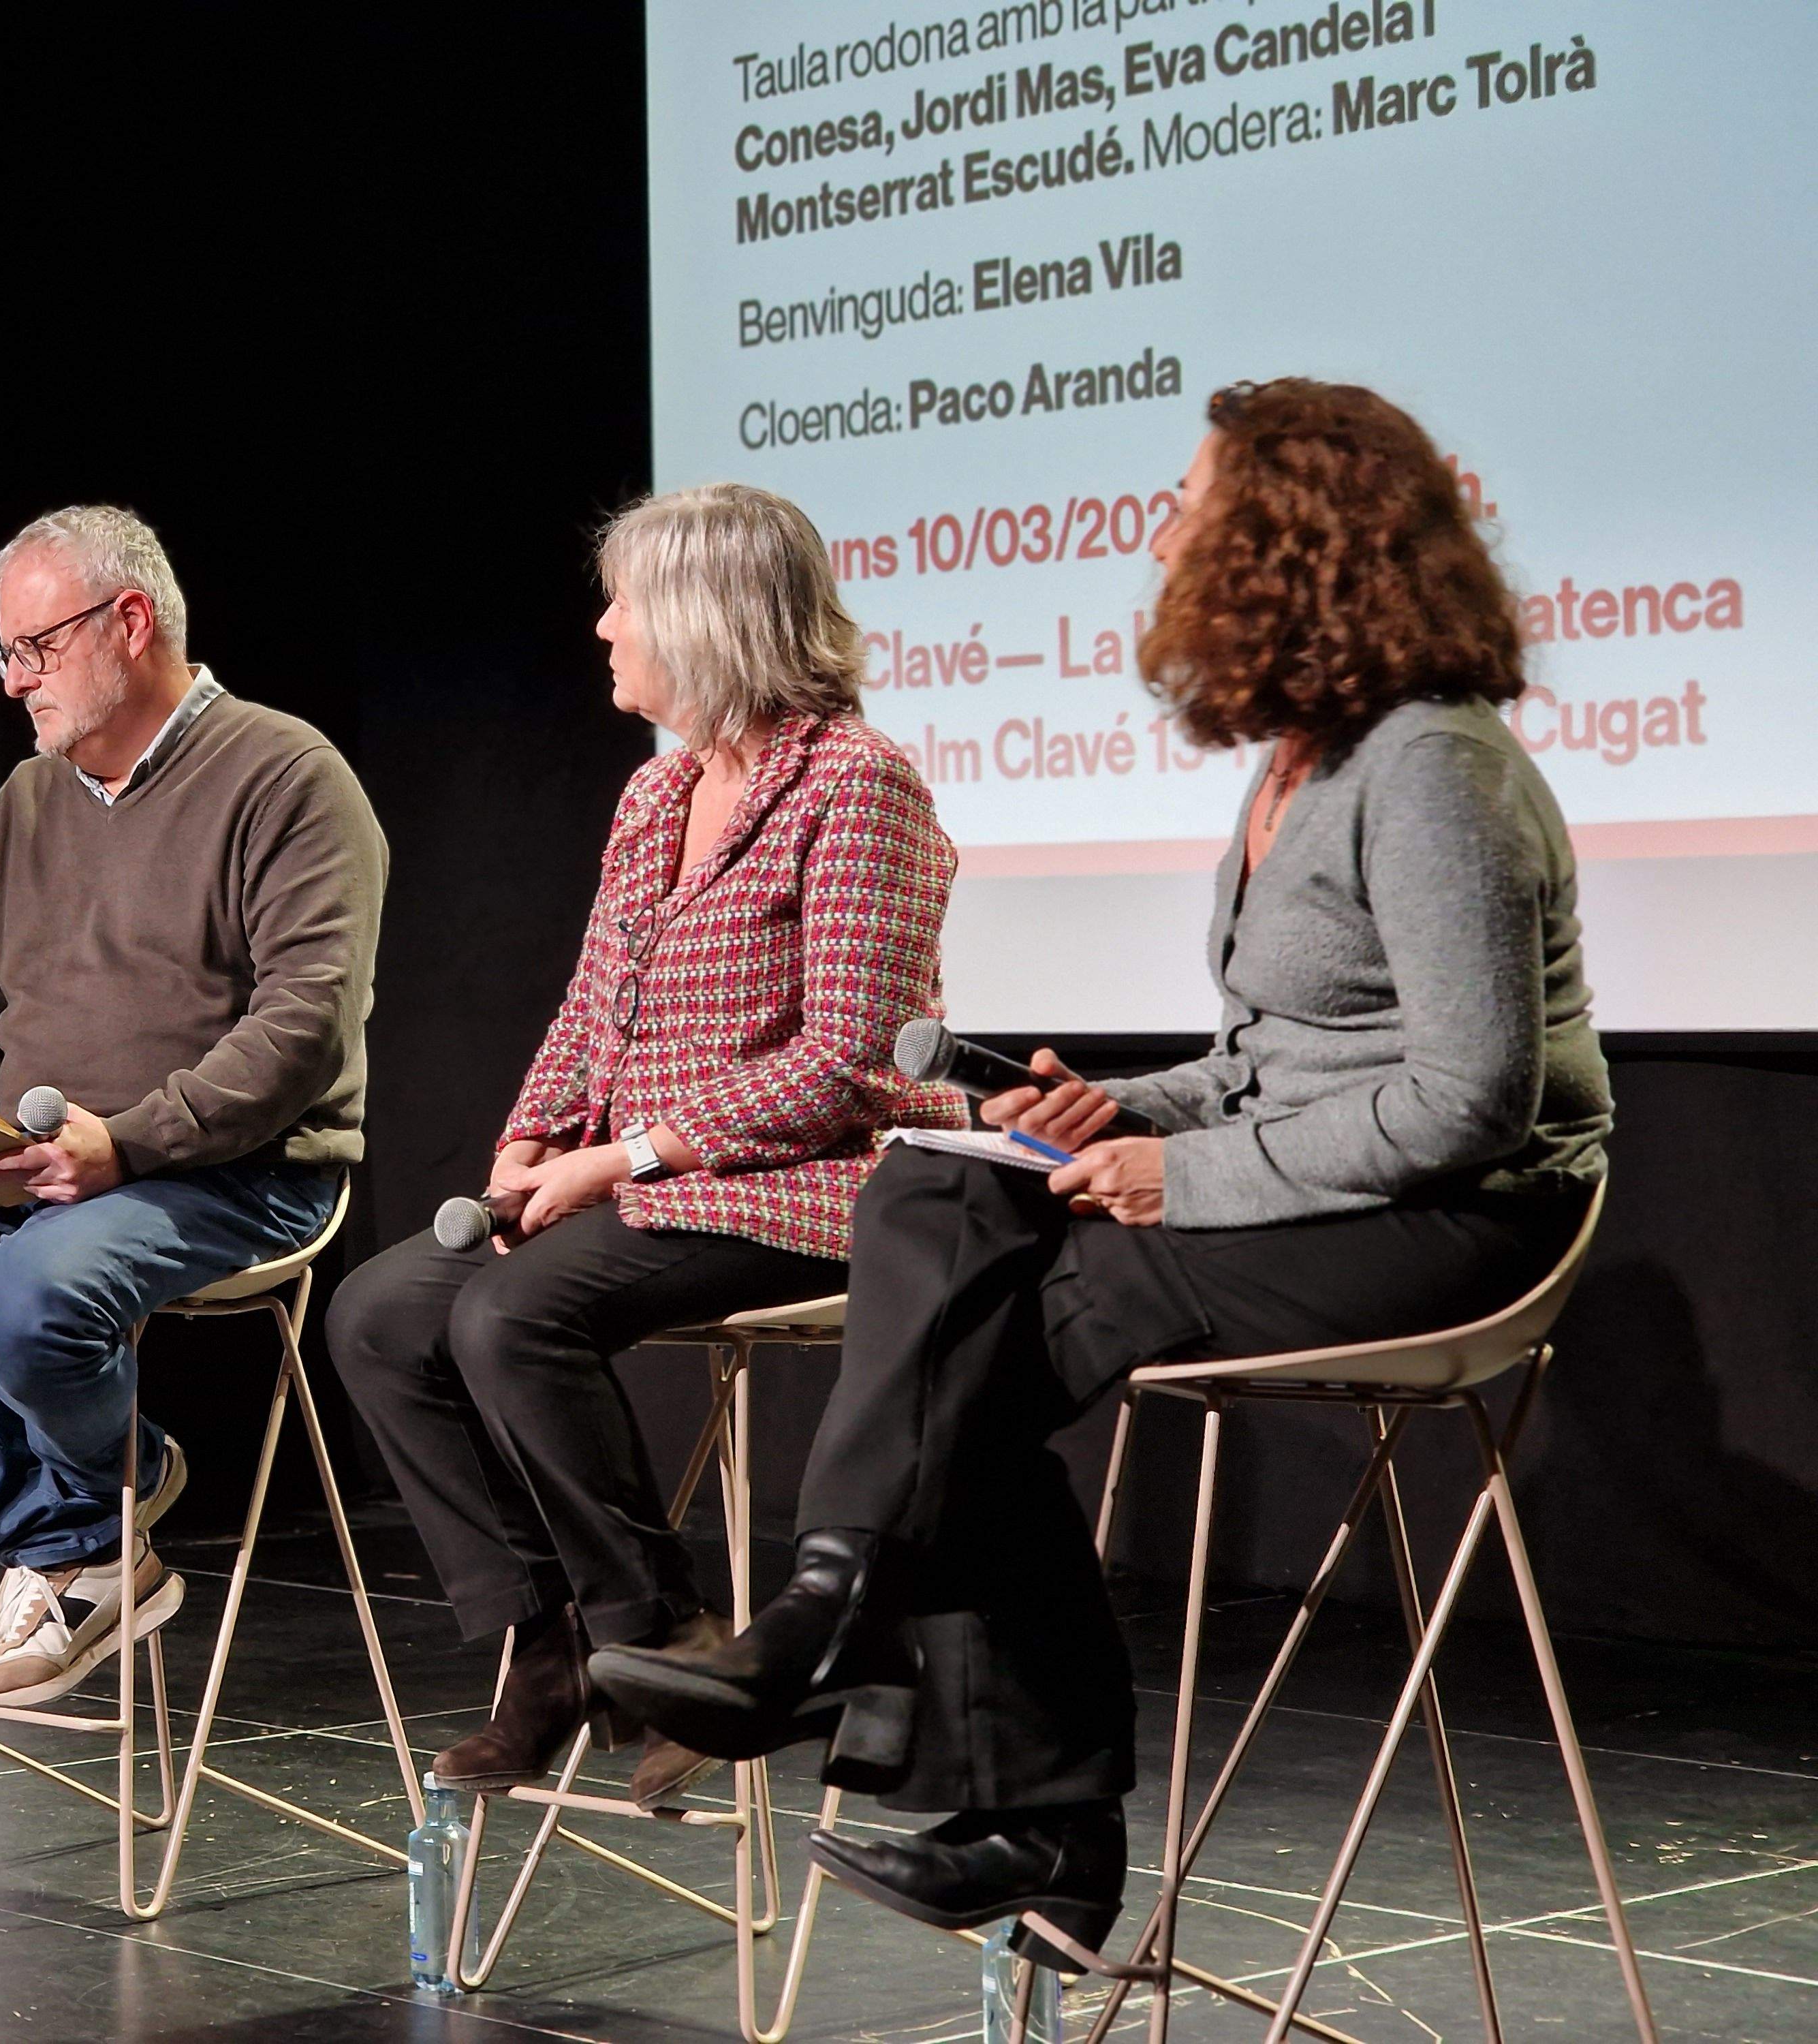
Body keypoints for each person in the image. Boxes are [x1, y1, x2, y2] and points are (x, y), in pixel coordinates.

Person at [589, 379, 1613, 1965]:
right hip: (1329, 1172)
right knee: (934, 1188)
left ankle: (968, 1749)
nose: (1161, 536)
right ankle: (869, 1651)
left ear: (1286, 539)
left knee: (984, 1338)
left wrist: (1171, 1179)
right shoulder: (1300, 761)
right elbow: (1277, 1056)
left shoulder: (1432, 769)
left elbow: (1467, 1104)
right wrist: (1111, 1111)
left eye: (1191, 507)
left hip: (1462, 1220)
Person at [327, 482, 963, 1810]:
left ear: (704, 618)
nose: (604, 627)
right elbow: (591, 1008)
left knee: (512, 1317)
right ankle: (549, 1645)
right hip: (649, 1178)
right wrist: (527, 1143)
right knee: (382, 1316)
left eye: (624, 603)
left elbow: (851, 1061)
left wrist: (626, 1160)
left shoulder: (858, 785)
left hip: (812, 1180)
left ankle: (659, 1640)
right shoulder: (657, 790)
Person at [0, 505, 386, 1709]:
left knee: (18, 1302)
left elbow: (304, 1027)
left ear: (129, 623)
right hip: (36, 1166)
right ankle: (83, 1535)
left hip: (233, 1170)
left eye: (34, 649)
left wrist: (129, 1144)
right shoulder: (32, 799)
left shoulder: (287, 776)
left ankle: (87, 1541)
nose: (13, 682)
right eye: (7, 654)